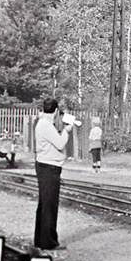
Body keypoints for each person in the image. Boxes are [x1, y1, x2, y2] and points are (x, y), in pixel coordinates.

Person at [33, 97, 75, 251]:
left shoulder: (42, 123)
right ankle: (49, 242)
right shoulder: (46, 125)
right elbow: (60, 143)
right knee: (50, 205)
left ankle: (40, 240)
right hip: (49, 167)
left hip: (44, 165)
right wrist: (66, 131)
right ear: (56, 111)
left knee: (44, 205)